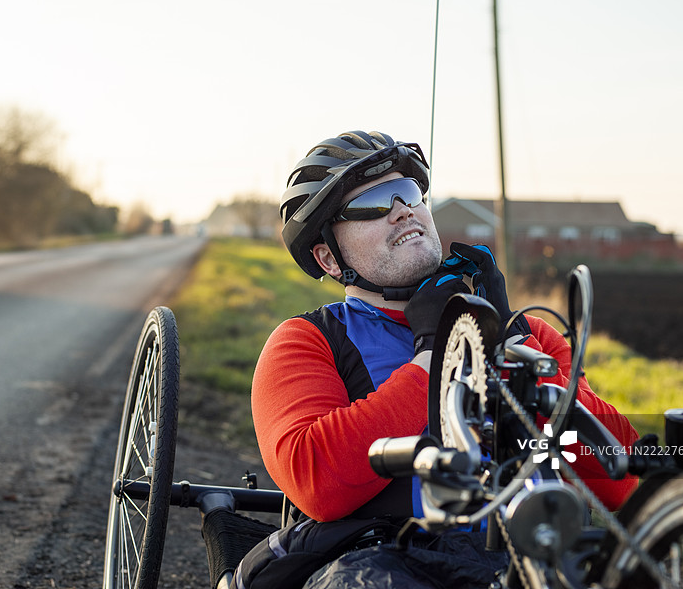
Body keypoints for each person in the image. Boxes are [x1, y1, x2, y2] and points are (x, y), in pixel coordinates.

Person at [246, 130, 638, 588]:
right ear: (329, 259)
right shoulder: (308, 341)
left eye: (408, 193)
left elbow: (623, 477)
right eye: (373, 204)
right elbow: (316, 479)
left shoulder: (533, 334)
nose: (402, 209)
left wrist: (507, 342)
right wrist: (433, 355)